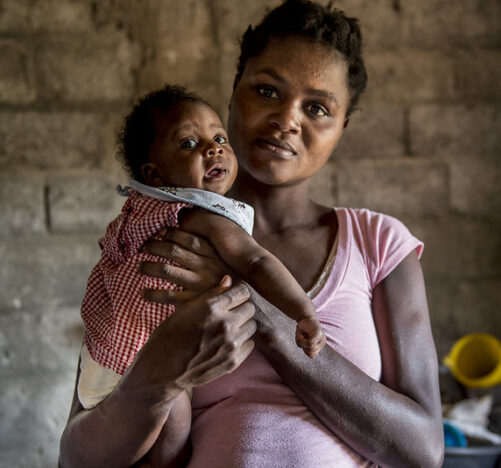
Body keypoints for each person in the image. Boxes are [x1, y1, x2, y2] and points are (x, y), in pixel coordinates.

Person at [59, 1, 444, 466]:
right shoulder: (160, 239)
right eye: (266, 90)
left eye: (317, 107)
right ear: (234, 91)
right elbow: (77, 457)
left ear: (343, 126)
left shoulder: (378, 243)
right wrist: (156, 379)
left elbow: (423, 451)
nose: (287, 120)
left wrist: (256, 308)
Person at [77, 84, 326, 465]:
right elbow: (257, 264)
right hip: (146, 360)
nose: (213, 148)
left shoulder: (139, 213)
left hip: (101, 356)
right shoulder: (202, 214)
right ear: (154, 174)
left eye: (219, 137)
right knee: (173, 426)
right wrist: (303, 311)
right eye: (189, 144)